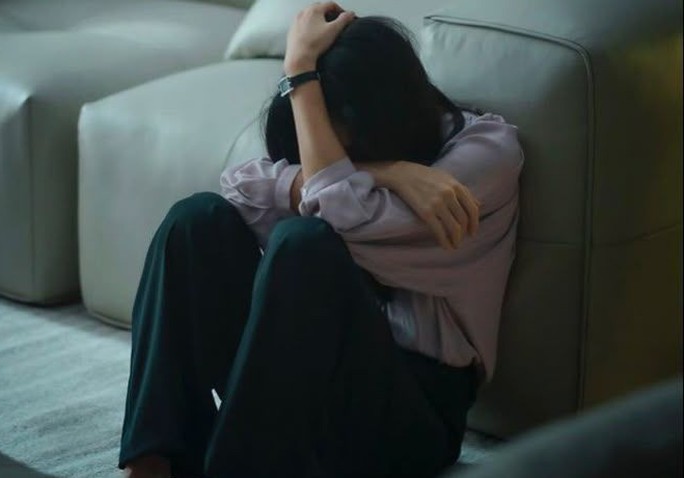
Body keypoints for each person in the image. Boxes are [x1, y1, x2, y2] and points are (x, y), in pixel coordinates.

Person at [120, 2, 523, 478]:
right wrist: (386, 171)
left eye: (341, 149)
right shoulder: (376, 162)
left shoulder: (485, 155)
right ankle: (151, 465)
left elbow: (338, 213)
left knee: (305, 244)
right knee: (195, 220)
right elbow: (241, 185)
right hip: (301, 392)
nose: (326, 159)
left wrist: (300, 75)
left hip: (412, 413)